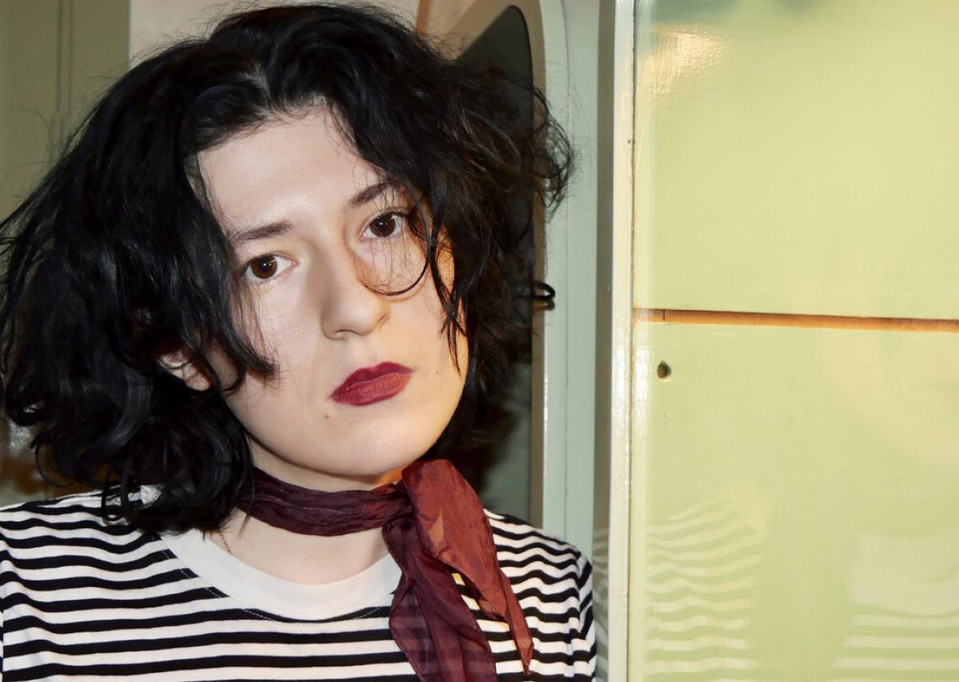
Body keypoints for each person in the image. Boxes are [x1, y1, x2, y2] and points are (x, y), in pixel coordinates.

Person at [0, 3, 594, 680]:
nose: (356, 308)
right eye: (265, 265)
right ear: (178, 346)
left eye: (385, 224)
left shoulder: (552, 596)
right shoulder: (25, 597)